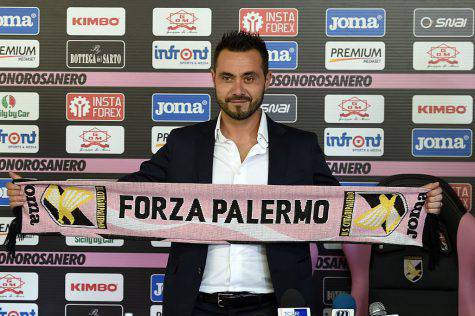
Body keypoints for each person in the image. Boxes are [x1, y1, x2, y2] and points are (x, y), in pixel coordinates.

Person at [6, 31, 443, 316]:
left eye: (249, 77)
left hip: (277, 304)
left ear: (266, 80)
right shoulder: (183, 143)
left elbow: (339, 211)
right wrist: (44, 199)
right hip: (194, 304)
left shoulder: (299, 146)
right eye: (228, 77)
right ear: (213, 79)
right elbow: (126, 198)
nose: (238, 89)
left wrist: (415, 209)